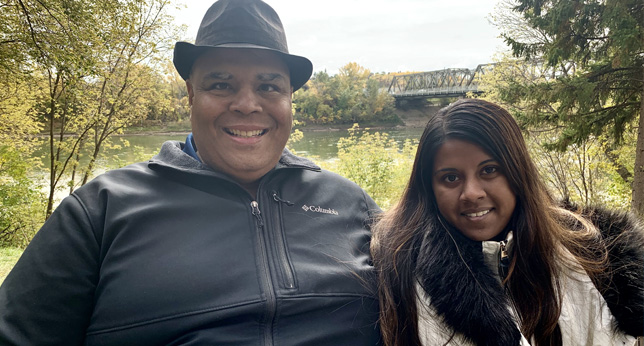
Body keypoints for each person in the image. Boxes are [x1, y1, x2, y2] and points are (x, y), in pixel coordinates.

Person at [0, 1, 382, 344]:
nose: (247, 104)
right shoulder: (101, 211)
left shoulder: (350, 202)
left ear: (289, 101)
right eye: (221, 84)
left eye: (269, 86)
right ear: (191, 95)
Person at [371, 98, 644, 346]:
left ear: (517, 172)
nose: (471, 193)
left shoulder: (596, 258)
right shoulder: (396, 263)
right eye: (450, 178)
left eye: (489, 170)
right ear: (429, 188)